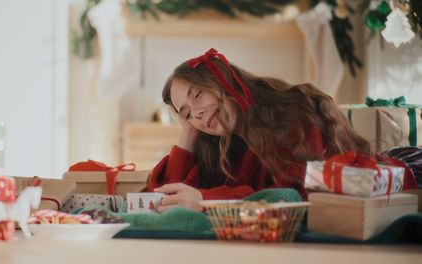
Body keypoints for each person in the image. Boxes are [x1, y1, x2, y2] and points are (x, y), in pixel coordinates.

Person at [147, 48, 418, 213]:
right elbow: (164, 198)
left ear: (224, 81)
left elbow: (300, 196)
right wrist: (190, 132)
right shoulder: (226, 145)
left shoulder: (293, 112)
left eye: (197, 95)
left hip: (410, 173)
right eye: (185, 113)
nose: (197, 113)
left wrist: (207, 201)